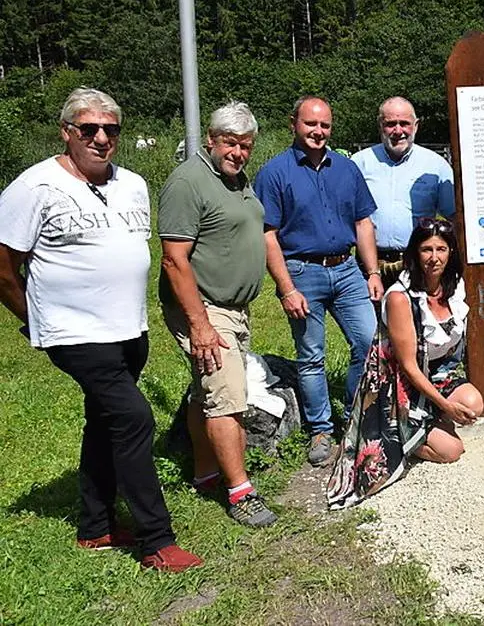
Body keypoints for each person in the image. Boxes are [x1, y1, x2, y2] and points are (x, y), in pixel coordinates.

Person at [0, 88, 202, 571]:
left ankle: (96, 526)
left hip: (128, 329)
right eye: (88, 128)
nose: (100, 138)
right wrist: (35, 318)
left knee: (105, 422)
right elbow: (5, 266)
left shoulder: (132, 183)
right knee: (134, 419)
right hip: (74, 333)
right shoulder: (35, 187)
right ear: (67, 132)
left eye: (110, 129)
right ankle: (157, 541)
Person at [158, 101, 277, 527]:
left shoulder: (237, 182)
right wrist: (200, 325)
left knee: (206, 391)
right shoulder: (189, 182)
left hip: (233, 308)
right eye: (230, 143)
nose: (238, 152)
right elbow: (174, 259)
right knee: (228, 399)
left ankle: (206, 472)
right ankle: (240, 492)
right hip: (206, 308)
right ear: (210, 139)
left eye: (245, 145)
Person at [254, 96, 385, 467]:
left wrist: (372, 272)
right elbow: (268, 235)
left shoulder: (346, 169)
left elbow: (363, 223)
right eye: (311, 124)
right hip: (302, 272)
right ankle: (320, 430)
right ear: (294, 123)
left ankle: (358, 417)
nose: (318, 131)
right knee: (311, 357)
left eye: (324, 125)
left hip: (346, 270)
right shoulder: (275, 173)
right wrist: (286, 289)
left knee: (368, 341)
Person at [326, 219, 483, 508]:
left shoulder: (454, 287)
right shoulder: (401, 298)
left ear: (451, 253)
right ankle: (404, 439)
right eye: (426, 249)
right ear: (414, 253)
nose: (434, 258)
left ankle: (429, 422)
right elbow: (408, 368)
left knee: (474, 403)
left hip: (435, 374)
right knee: (453, 450)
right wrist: (447, 406)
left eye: (441, 249)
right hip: (399, 385)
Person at [352, 96, 455, 289]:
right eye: (390, 124)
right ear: (380, 125)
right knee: (371, 319)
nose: (398, 131)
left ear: (416, 125)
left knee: (418, 318)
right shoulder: (358, 164)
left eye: (404, 124)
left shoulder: (436, 166)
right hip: (370, 266)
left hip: (419, 264)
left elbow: (454, 216)